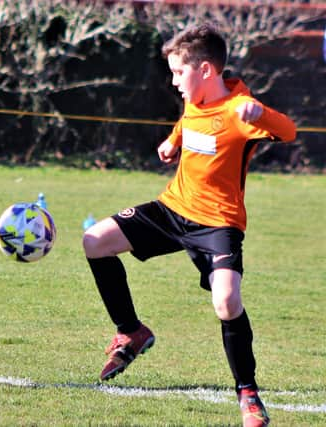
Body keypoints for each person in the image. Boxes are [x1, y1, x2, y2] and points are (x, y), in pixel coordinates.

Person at [82, 24, 295, 427]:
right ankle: (130, 331)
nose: (174, 80)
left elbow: (289, 130)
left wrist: (261, 113)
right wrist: (174, 140)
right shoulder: (196, 98)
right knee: (95, 241)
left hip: (217, 222)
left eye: (180, 72)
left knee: (227, 302)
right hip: (172, 209)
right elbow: (191, 120)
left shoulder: (239, 109)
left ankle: (248, 393)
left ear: (207, 71)